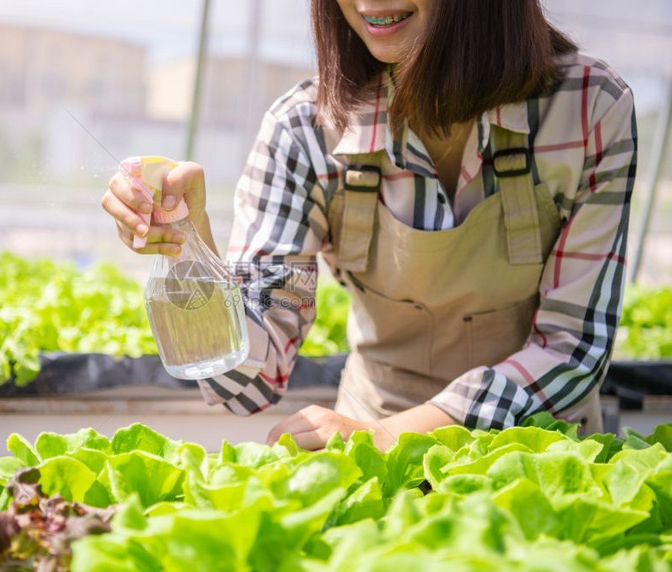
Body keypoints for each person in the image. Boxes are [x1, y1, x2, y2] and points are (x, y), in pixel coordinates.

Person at [103, 0, 637, 451]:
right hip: (366, 453)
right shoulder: (304, 131)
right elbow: (249, 386)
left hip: (537, 459)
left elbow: (573, 349)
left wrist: (392, 436)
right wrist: (187, 243)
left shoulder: (588, 107)